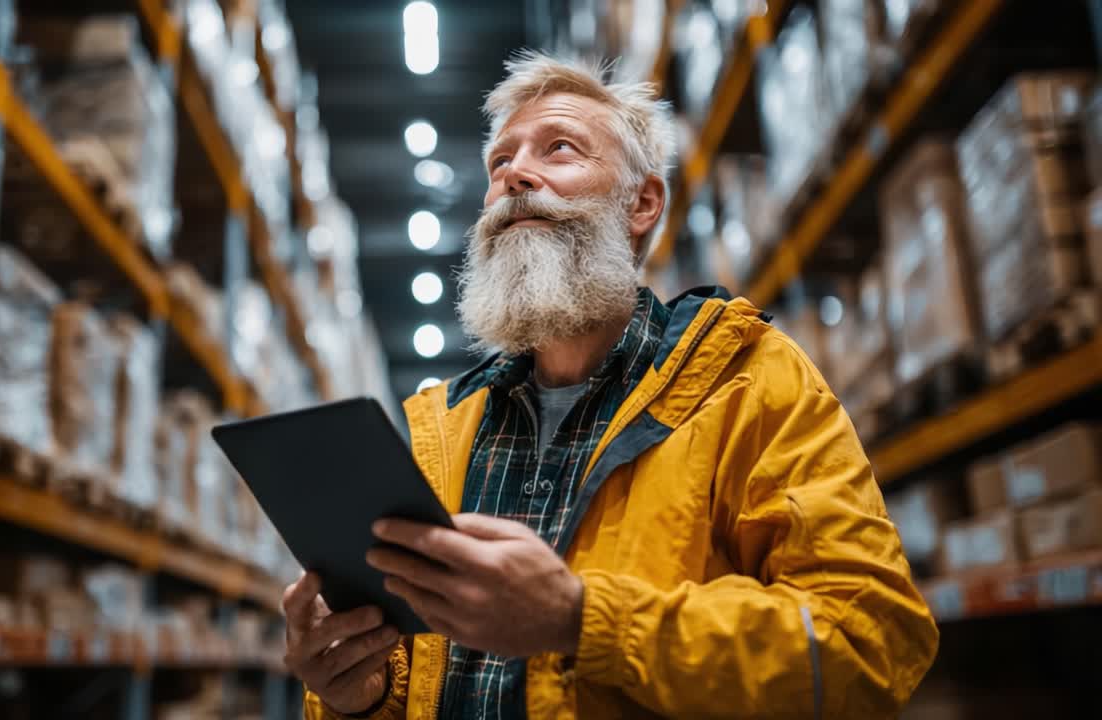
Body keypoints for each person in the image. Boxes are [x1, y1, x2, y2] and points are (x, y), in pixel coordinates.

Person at [284, 51, 939, 719]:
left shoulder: (747, 382)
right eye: (499, 162)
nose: (515, 175)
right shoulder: (443, 430)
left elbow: (870, 642)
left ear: (642, 203)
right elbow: (419, 681)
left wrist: (584, 620)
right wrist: (357, 697)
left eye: (559, 148)